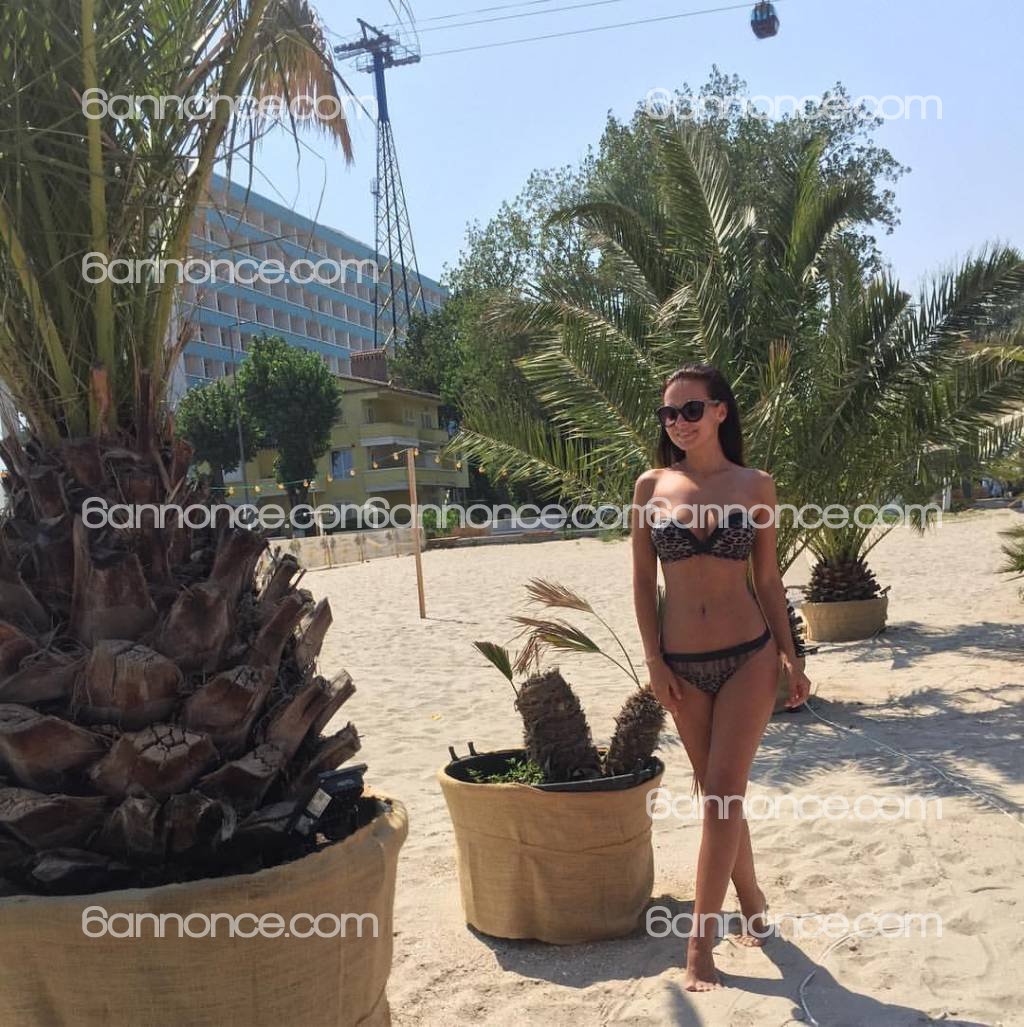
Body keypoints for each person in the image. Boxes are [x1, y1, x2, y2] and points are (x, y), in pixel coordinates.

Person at [630, 362, 811, 991]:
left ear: (720, 412)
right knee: (717, 797)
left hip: (749, 658)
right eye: (669, 413)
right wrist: (654, 663)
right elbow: (642, 584)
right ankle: (752, 901)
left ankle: (699, 946)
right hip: (681, 666)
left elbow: (768, 579)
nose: (678, 422)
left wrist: (791, 655)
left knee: (725, 795)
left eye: (691, 410)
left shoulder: (756, 486)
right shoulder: (650, 486)